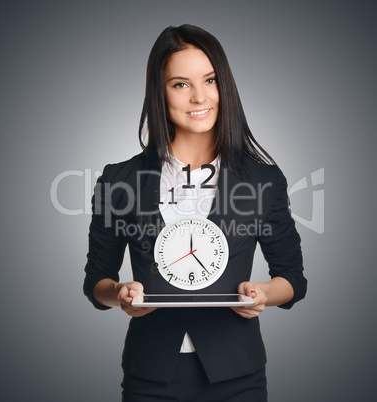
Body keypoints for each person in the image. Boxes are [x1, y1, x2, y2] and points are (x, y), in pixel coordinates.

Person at [83, 24, 307, 402]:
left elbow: (292, 280)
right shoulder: (119, 180)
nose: (199, 97)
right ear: (160, 92)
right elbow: (96, 281)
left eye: (210, 80)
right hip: (151, 375)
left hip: (238, 374)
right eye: (181, 84)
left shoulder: (263, 179)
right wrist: (120, 293)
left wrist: (262, 294)